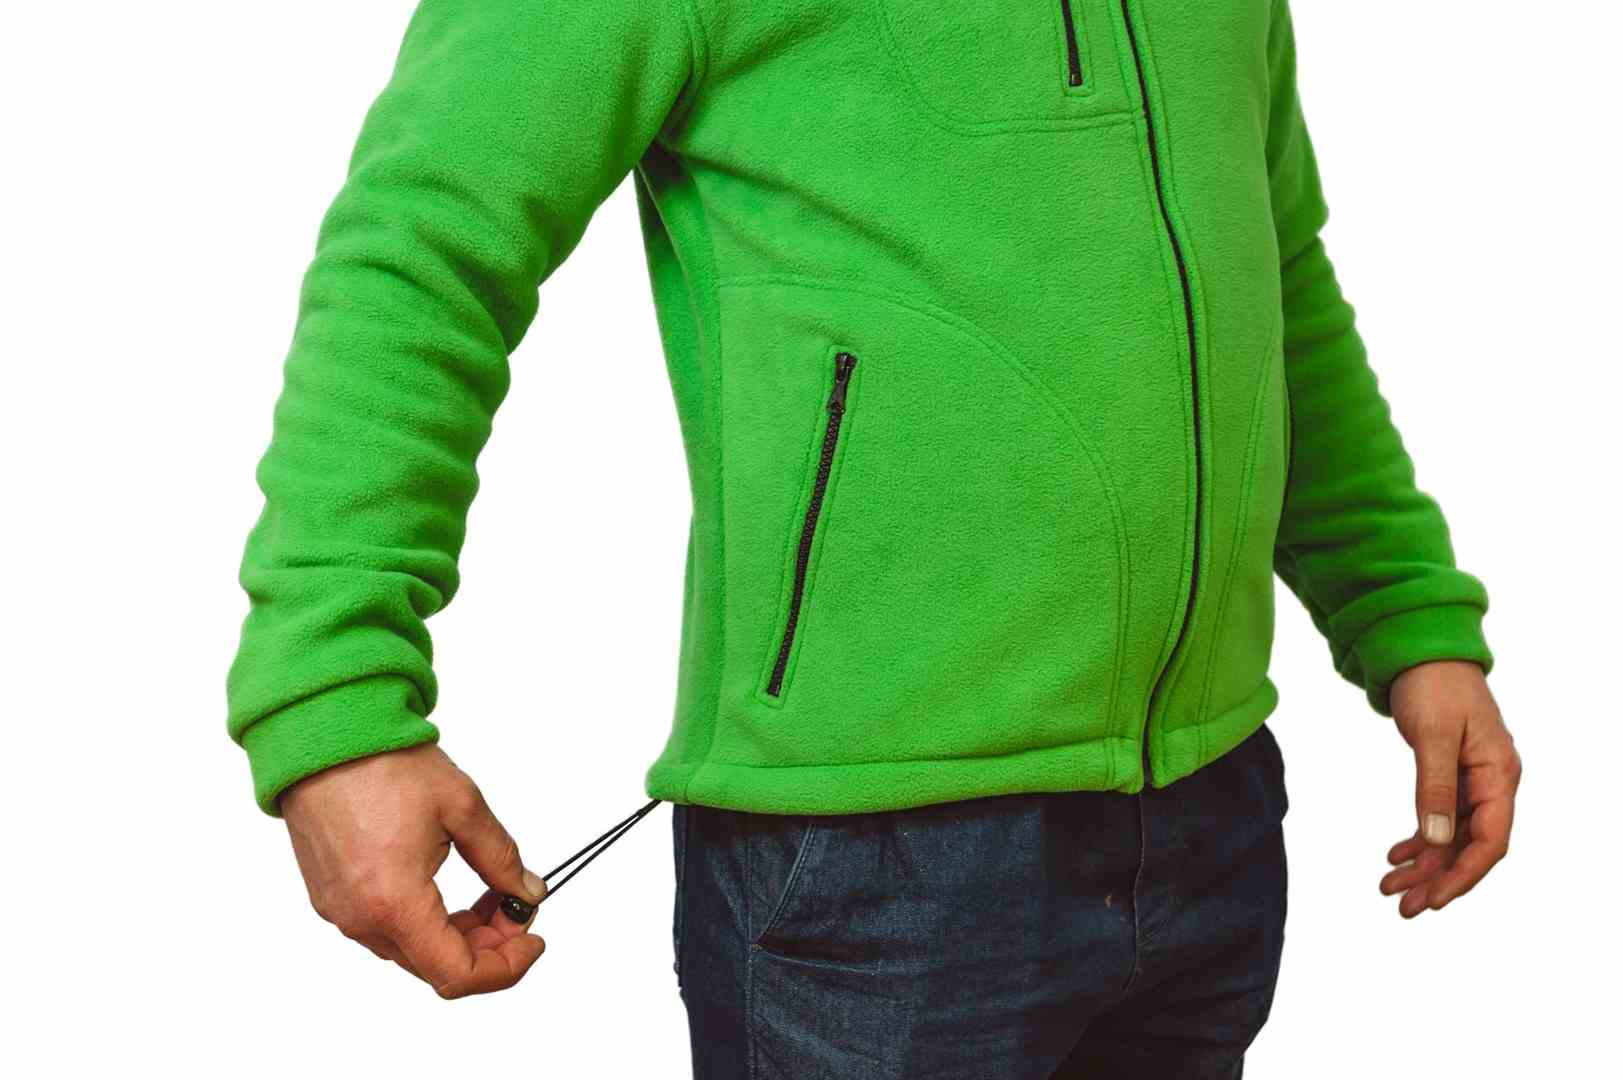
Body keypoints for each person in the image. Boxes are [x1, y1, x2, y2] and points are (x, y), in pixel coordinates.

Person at [227, 1, 1522, 1075]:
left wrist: (1406, 617)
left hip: (1212, 813)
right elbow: (426, 248)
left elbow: (1275, 276)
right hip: (867, 863)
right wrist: (334, 706)